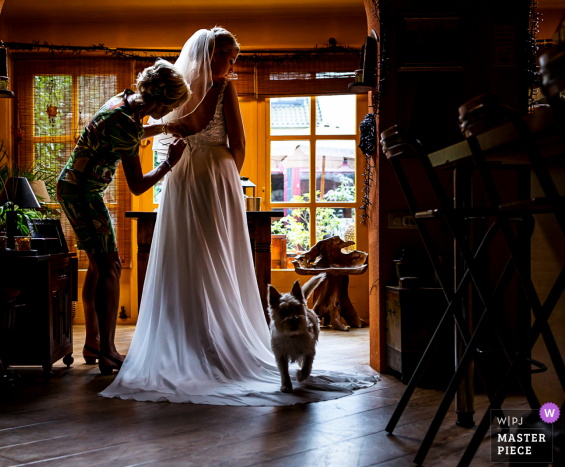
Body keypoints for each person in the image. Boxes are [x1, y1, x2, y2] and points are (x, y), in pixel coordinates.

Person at [101, 28, 379, 406]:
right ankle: (192, 340)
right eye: (228, 58)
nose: (232, 67)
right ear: (211, 55)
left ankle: (213, 339)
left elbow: (212, 136)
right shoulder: (198, 89)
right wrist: (226, 174)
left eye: (234, 60)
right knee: (190, 258)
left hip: (197, 175)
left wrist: (227, 182)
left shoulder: (208, 88)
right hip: (196, 174)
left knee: (211, 255)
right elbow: (233, 141)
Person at [57, 59, 191, 374]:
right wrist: (169, 162)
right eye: (169, 108)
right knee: (112, 266)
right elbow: (138, 185)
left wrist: (164, 127)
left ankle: (93, 342)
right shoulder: (127, 125)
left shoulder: (123, 100)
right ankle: (108, 351)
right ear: (160, 101)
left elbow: (129, 130)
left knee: (98, 265)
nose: (167, 113)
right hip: (83, 193)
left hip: (74, 186)